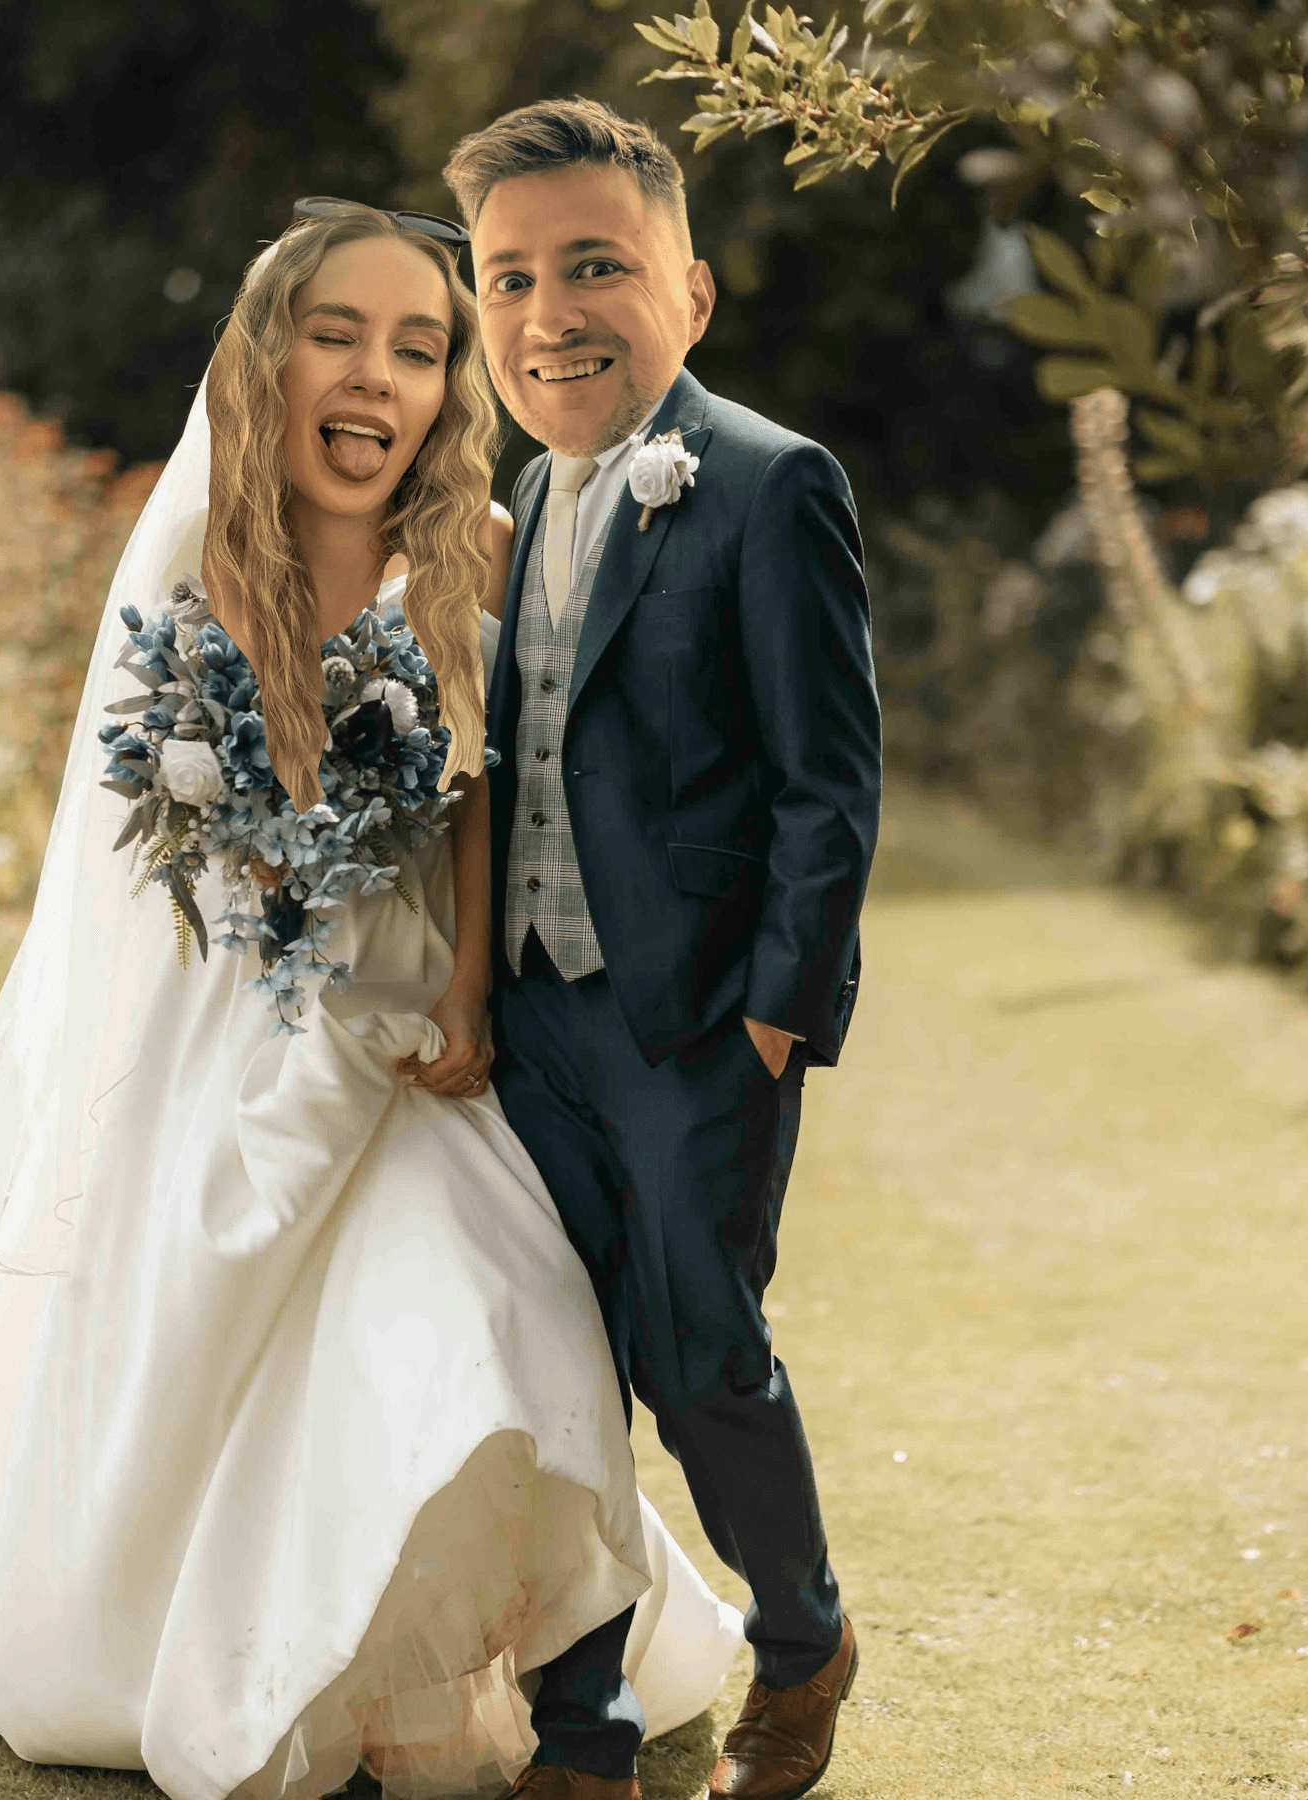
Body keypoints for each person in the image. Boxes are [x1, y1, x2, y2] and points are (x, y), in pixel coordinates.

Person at [0, 201, 743, 1799]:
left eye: (419, 347)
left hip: (420, 1025)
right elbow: (146, 839)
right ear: (270, 352)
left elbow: (484, 788)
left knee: (502, 1299)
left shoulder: (474, 551)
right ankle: (265, 1654)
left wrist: (475, 996)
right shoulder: (203, 556)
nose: (378, 376)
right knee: (224, 1353)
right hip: (241, 1025)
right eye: (338, 334)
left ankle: (579, 1712)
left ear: (446, 387)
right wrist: (271, 877)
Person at [444, 100, 881, 1800]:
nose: (551, 314)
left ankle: (803, 1637)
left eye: (597, 268)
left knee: (699, 1357)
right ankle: (583, 1728)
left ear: (688, 292)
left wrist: (776, 1020)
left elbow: (827, 786)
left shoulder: (770, 485)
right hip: (529, 1017)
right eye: (511, 279)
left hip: (695, 1022)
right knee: (552, 1367)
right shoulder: (503, 512)